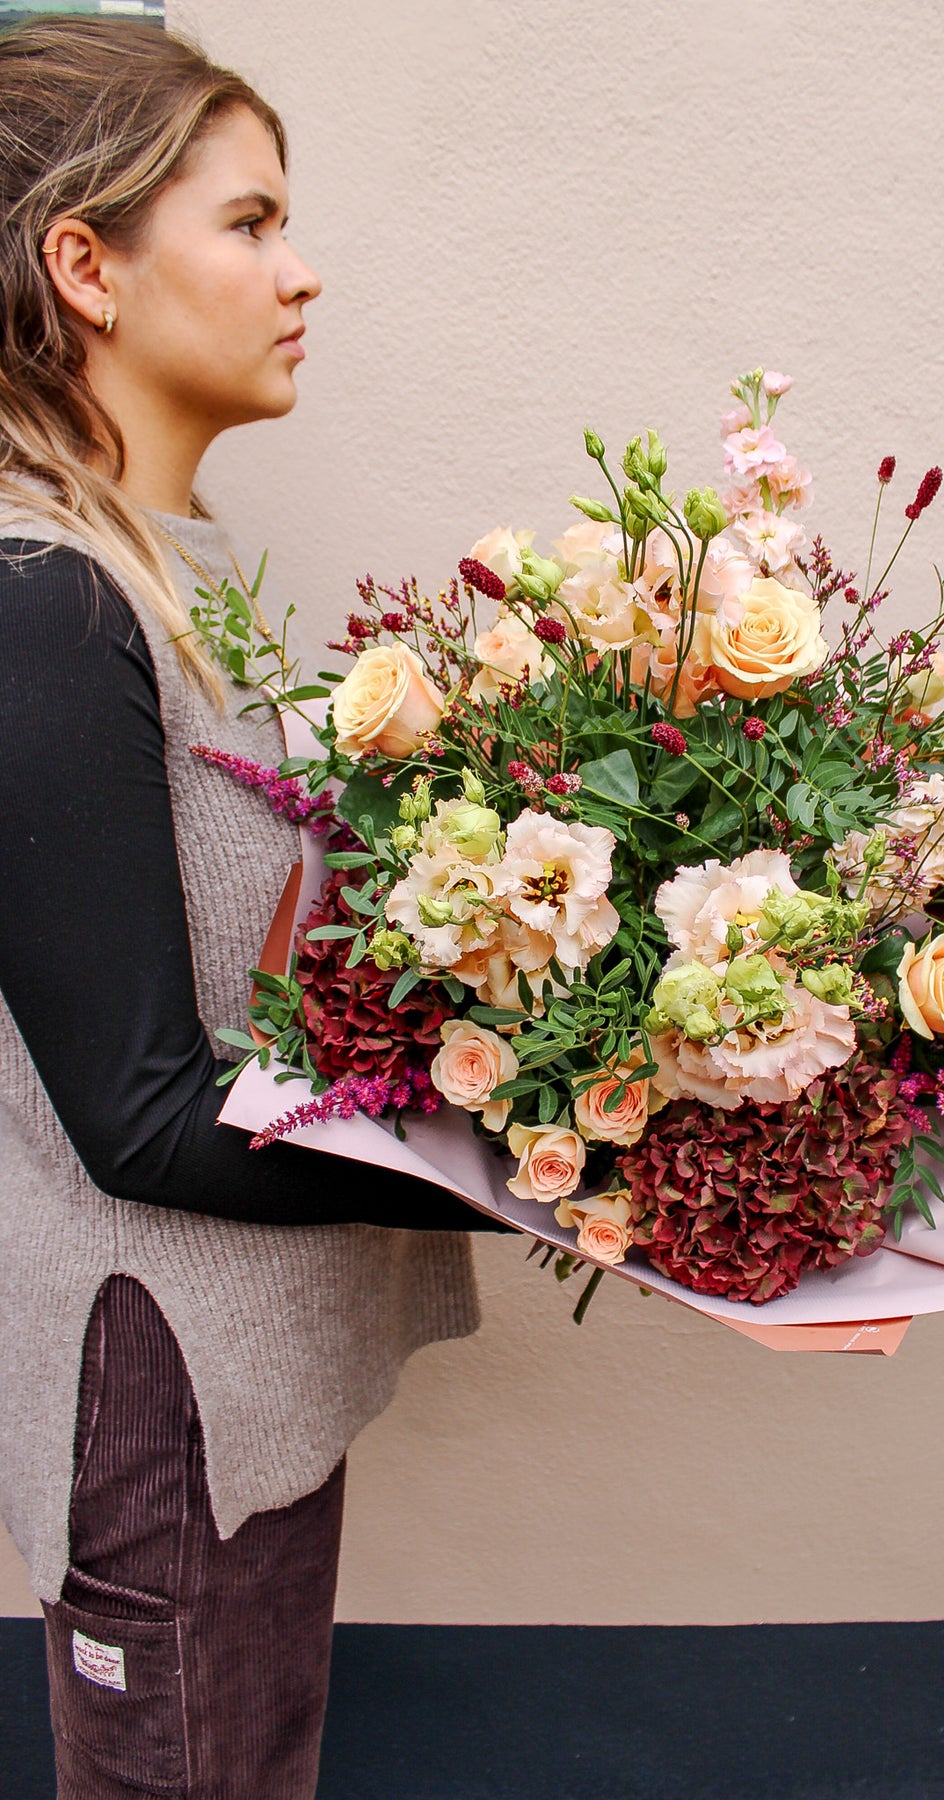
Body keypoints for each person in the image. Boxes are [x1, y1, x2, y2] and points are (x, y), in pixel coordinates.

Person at [0, 19, 506, 1796]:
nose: (303, 275)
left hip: (245, 1365)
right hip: (166, 1387)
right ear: (88, 265)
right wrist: (548, 1173)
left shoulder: (163, 565)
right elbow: (139, 1113)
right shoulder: (45, 599)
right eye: (251, 222)